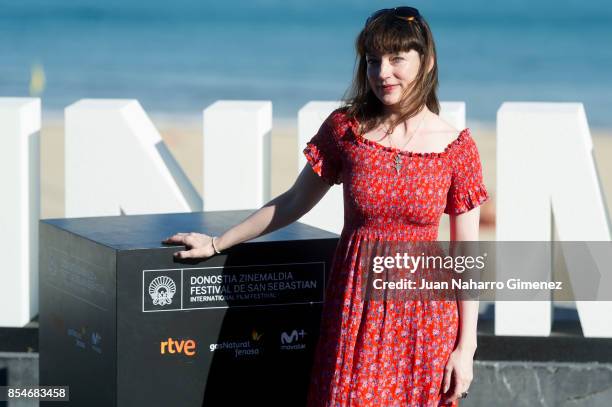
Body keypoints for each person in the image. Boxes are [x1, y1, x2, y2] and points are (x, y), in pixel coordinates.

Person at [164, 6, 489, 406]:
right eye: (373, 61)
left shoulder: (457, 148)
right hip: (355, 313)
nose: (382, 73)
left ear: (427, 62)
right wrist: (218, 242)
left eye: (396, 59)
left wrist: (465, 347)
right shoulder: (346, 130)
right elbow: (294, 201)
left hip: (425, 321)